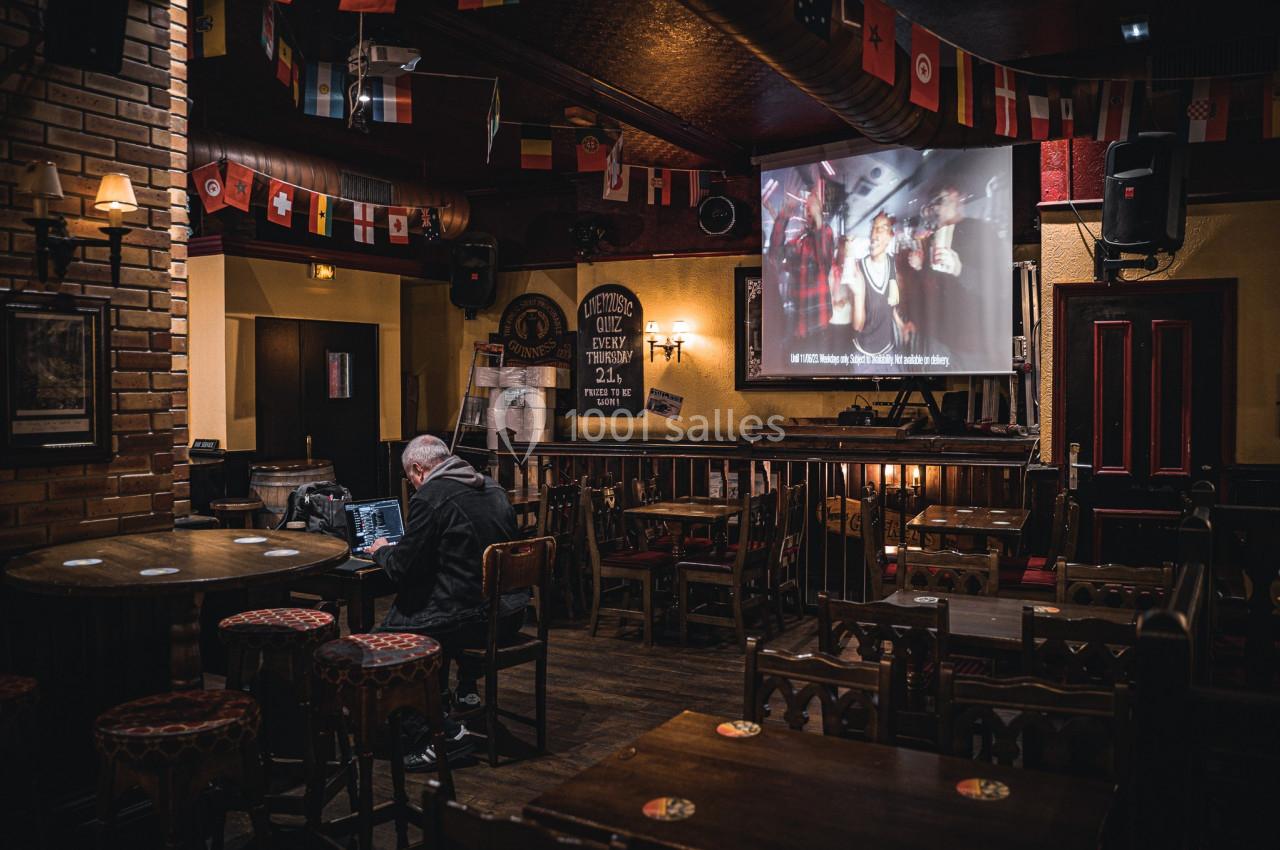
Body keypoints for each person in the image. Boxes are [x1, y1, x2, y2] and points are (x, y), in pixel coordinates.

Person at [368, 434, 526, 771]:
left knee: (385, 644)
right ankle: (446, 702)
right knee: (425, 616)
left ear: (418, 470)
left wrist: (381, 550)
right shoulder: (493, 488)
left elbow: (402, 568)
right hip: (509, 612)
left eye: (411, 479)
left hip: (471, 619)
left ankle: (441, 735)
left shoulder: (431, 497)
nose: (414, 486)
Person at [904, 185, 1002, 367]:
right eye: (933, 204)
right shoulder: (932, 239)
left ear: (958, 197)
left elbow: (1000, 288)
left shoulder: (980, 231)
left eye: (940, 200)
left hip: (971, 345)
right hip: (936, 338)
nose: (936, 208)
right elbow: (929, 286)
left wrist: (960, 269)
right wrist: (918, 267)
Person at [836, 211, 915, 361]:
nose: (874, 234)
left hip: (889, 349)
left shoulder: (892, 263)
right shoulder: (859, 269)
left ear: (890, 237)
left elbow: (890, 303)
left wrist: (901, 325)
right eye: (873, 228)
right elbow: (858, 326)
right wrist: (858, 294)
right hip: (865, 355)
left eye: (881, 229)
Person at [767, 190, 836, 343]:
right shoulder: (799, 239)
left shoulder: (826, 231)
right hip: (798, 326)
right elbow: (775, 256)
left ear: (820, 209)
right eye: (806, 206)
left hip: (819, 325)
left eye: (813, 205)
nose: (809, 209)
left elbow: (824, 259)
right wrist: (783, 216)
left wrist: (818, 218)